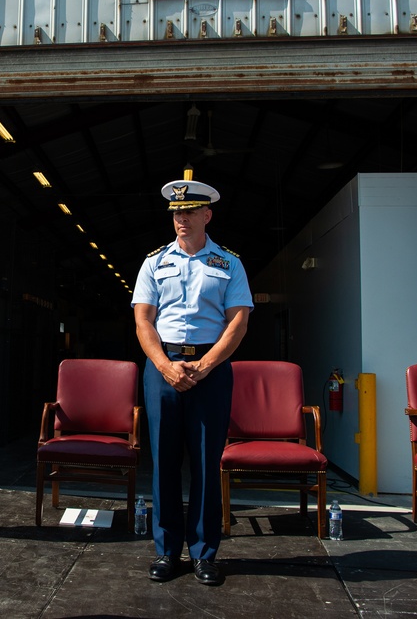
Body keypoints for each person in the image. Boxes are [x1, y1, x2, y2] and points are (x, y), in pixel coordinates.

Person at [131, 170, 253, 586]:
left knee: (205, 462)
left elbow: (237, 323)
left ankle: (204, 553)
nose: (181, 219)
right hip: (162, 365)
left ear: (208, 215)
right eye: (176, 212)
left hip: (211, 369)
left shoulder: (229, 263)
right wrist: (165, 366)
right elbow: (143, 322)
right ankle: (166, 551)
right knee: (163, 460)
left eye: (189, 211)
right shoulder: (154, 262)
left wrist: (205, 366)